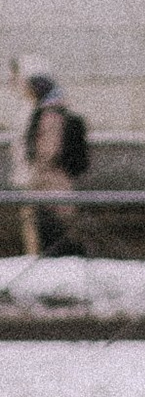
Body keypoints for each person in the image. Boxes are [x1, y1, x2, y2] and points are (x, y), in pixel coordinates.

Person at [16, 61, 83, 258]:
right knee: (54, 228)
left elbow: (48, 151)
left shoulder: (50, 114)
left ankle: (59, 266)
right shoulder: (51, 110)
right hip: (52, 181)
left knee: (56, 229)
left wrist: (36, 171)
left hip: (50, 182)